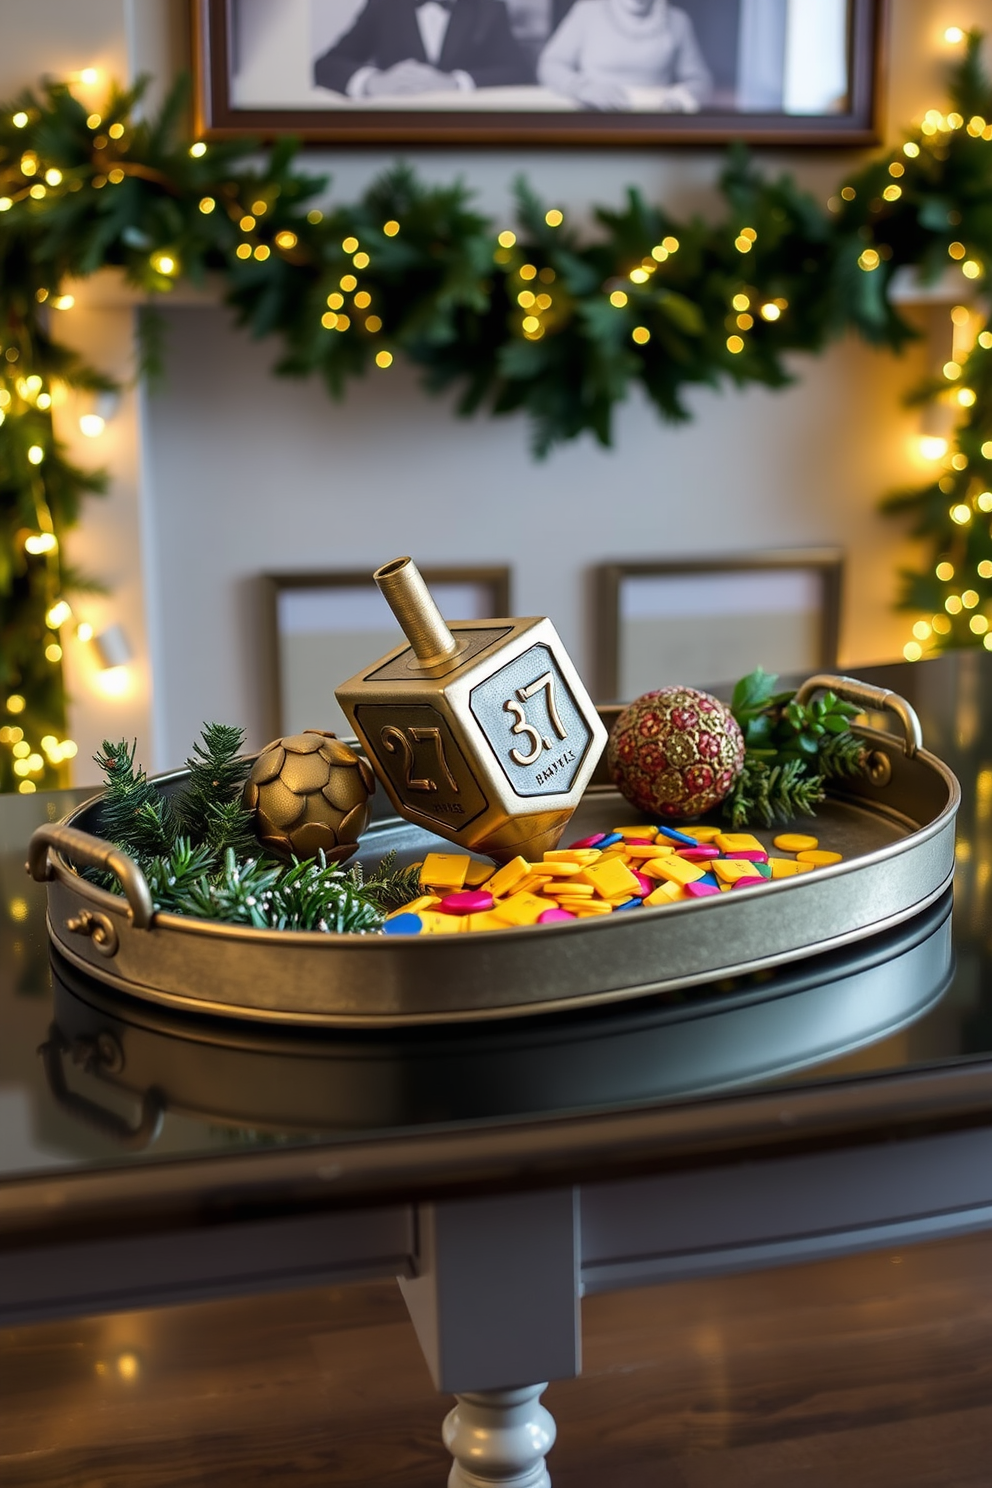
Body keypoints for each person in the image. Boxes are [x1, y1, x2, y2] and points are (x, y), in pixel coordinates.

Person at [314, 0, 533, 98]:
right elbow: (326, 66)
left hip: (466, 136)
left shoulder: (489, 7)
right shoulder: (383, 5)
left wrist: (454, 82)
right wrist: (374, 82)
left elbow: (519, 71)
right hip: (394, 133)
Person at [537, 0, 711, 111]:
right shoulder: (586, 12)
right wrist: (582, 87)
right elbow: (550, 64)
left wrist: (681, 99)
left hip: (653, 126)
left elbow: (701, 81)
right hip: (593, 120)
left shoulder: (678, 20)